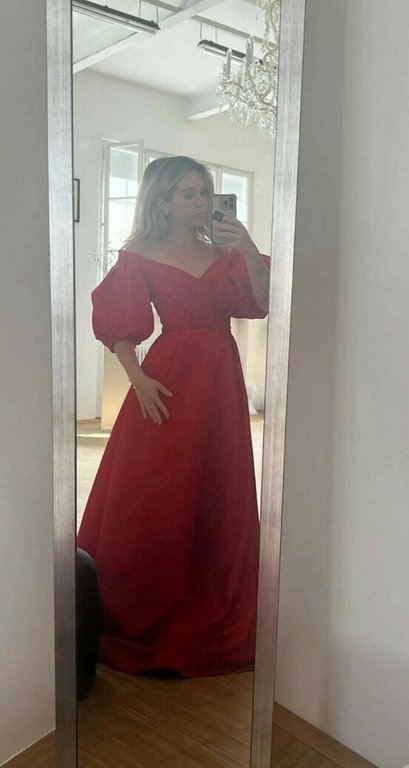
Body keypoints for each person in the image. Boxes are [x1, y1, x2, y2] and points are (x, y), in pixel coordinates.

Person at [77, 155, 270, 677]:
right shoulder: (138, 256)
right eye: (189, 194)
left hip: (220, 375)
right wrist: (137, 379)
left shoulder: (226, 253)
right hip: (168, 378)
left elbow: (263, 301)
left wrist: (248, 248)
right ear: (162, 202)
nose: (202, 202)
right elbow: (118, 324)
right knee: (157, 485)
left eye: (205, 192)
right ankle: (140, 607)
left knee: (217, 483)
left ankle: (213, 599)